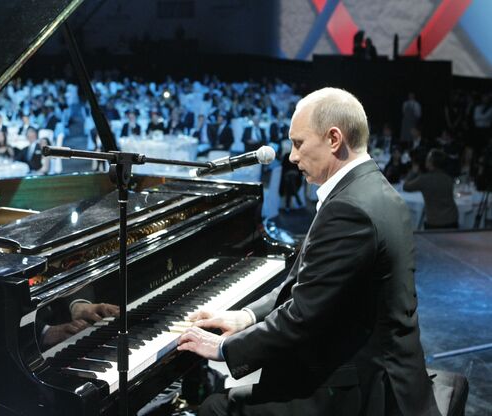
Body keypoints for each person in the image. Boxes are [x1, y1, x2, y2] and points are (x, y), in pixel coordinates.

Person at [178, 88, 440, 416]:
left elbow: (302, 317)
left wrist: (224, 349)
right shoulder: (370, 189)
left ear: (333, 139)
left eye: (299, 143)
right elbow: (308, 287)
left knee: (216, 407)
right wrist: (246, 317)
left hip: (363, 392)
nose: (291, 156)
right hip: (383, 371)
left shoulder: (350, 209)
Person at [404, 149, 459, 229]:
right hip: (452, 220)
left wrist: (413, 171)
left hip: (434, 222)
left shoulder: (424, 179)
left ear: (431, 162)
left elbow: (406, 186)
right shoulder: (448, 178)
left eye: (428, 158)